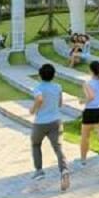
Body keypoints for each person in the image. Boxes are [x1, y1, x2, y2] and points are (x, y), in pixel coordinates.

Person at [29, 63, 71, 191]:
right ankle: (64, 170)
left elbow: (39, 99)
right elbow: (60, 104)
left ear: (40, 75)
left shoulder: (38, 88)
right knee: (58, 147)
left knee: (36, 144)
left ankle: (39, 170)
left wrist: (33, 109)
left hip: (41, 122)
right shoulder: (58, 87)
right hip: (55, 121)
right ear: (53, 75)